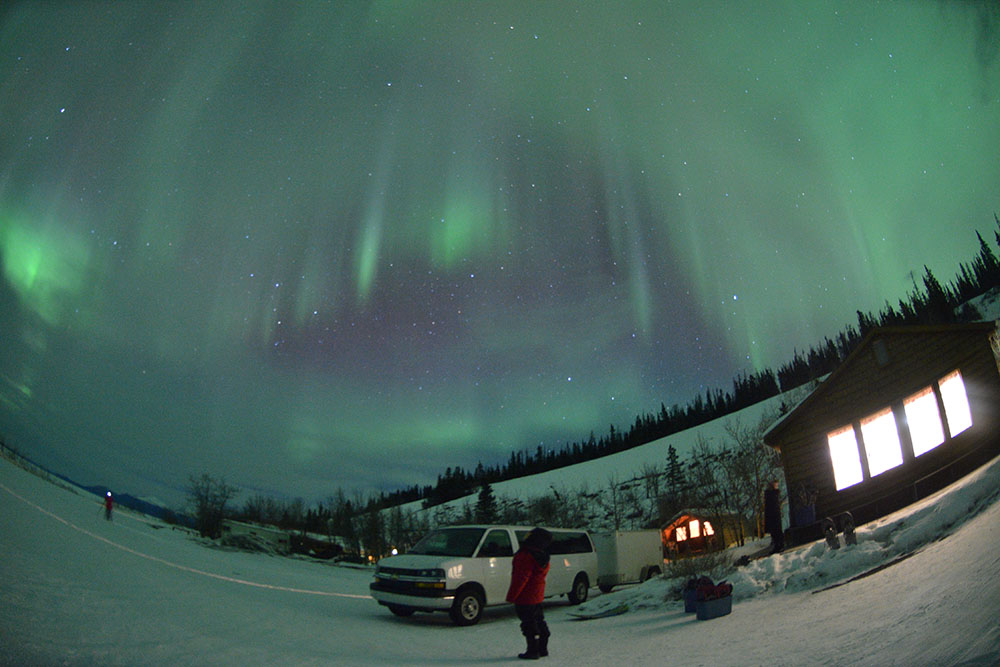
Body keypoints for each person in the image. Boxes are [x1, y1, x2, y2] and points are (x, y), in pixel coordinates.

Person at [506, 527, 552, 660]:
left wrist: (512, 596)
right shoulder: (543, 555)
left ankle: (533, 651)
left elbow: (520, 578)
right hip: (537, 594)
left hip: (525, 596)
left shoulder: (525, 555)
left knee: (529, 624)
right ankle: (542, 649)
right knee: (539, 621)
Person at [764, 480, 783, 553]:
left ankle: (779, 545)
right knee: (775, 531)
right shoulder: (770, 494)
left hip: (774, 515)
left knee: (776, 531)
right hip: (772, 515)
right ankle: (778, 545)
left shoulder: (773, 494)